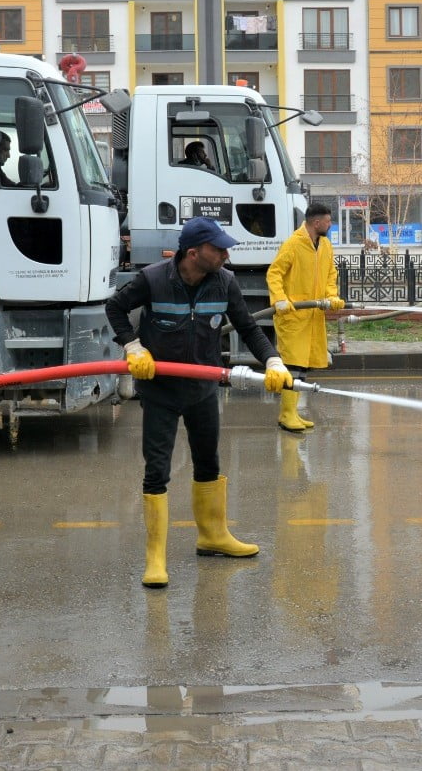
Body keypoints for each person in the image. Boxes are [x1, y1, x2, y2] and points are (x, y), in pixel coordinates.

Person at [105, 217, 291, 589]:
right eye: (219, 248)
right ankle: (155, 556)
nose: (226, 254)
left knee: (209, 463)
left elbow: (248, 328)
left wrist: (272, 359)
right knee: (157, 470)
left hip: (203, 389)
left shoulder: (225, 281)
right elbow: (115, 308)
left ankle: (212, 536)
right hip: (161, 391)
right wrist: (132, 345)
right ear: (194, 253)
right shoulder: (154, 279)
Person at [266, 202, 344, 432]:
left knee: (304, 367)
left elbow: (331, 274)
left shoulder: (325, 245)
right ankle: (287, 415)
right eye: (328, 222)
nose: (330, 225)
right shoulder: (294, 244)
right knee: (292, 365)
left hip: (312, 316)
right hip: (293, 315)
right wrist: (279, 299)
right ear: (316, 223)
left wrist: (332, 295)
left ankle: (292, 413)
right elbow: (274, 273)